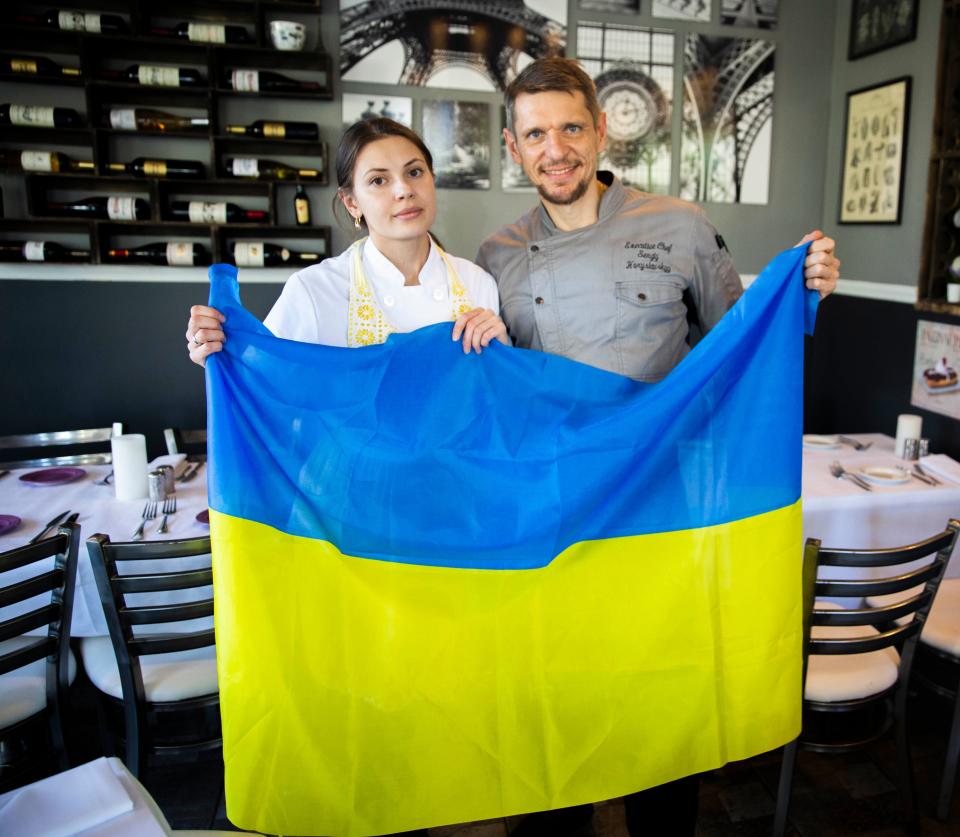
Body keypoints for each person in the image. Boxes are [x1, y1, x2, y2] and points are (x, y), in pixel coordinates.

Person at [471, 57, 841, 836]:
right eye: (535, 133)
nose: (556, 148)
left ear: (601, 130)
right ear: (512, 146)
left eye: (571, 127)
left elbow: (741, 343)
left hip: (658, 526)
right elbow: (479, 399)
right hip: (551, 528)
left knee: (658, 738)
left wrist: (801, 292)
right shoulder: (492, 257)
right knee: (551, 733)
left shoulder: (677, 224)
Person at [187, 118, 507, 364]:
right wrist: (214, 350)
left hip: (457, 453)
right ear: (352, 202)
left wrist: (502, 347)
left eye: (414, 172)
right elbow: (265, 376)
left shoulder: (477, 284)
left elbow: (496, 400)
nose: (403, 190)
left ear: (433, 179)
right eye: (378, 180)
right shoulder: (313, 291)